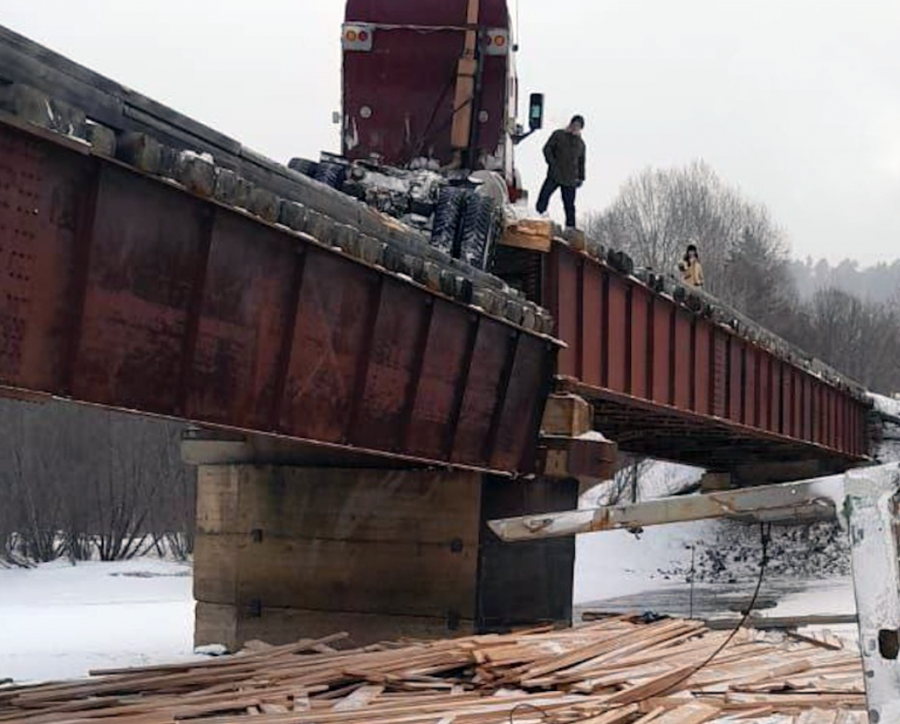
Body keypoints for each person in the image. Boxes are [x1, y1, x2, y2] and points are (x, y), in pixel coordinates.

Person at [536, 115, 586, 229]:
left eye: (578, 126)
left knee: (569, 206)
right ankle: (538, 218)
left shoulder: (581, 144)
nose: (575, 127)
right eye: (574, 124)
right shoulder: (559, 135)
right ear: (570, 124)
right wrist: (552, 163)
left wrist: (581, 178)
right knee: (543, 197)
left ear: (581, 128)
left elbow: (582, 162)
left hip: (570, 179)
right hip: (555, 174)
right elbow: (547, 149)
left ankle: (570, 228)